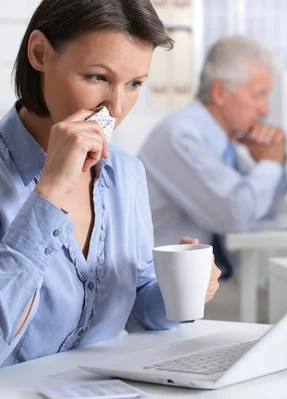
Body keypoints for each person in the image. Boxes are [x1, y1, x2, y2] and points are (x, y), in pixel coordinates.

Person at [0, 0, 220, 367]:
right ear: (40, 53)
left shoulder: (126, 173)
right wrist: (51, 188)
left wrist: (179, 291)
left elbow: (136, 307)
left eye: (134, 84)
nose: (115, 108)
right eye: (97, 78)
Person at [138, 36, 287, 279]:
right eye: (258, 95)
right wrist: (270, 164)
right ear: (220, 92)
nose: (265, 110)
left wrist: (272, 161)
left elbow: (267, 210)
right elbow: (234, 215)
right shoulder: (180, 136)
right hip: (160, 289)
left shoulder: (222, 140)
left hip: (192, 283)